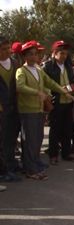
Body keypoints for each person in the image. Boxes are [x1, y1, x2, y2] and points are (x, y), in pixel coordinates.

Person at [16, 41, 74, 180]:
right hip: (27, 110)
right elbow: (20, 86)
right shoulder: (21, 71)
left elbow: (51, 83)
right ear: (24, 56)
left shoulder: (38, 70)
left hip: (39, 110)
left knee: (37, 139)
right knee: (30, 140)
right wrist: (37, 92)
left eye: (35, 54)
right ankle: (30, 169)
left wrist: (63, 92)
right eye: (30, 54)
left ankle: (34, 164)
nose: (34, 56)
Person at [43, 40, 74, 165]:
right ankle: (53, 155)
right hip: (56, 102)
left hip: (68, 101)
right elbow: (46, 85)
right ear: (54, 53)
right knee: (55, 130)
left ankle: (66, 153)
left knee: (68, 128)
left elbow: (72, 81)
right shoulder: (47, 66)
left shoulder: (68, 66)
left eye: (65, 53)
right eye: (61, 53)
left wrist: (73, 87)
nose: (64, 56)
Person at [0, 36, 20, 182]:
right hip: (1, 109)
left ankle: (11, 163)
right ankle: (3, 170)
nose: (8, 52)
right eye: (3, 49)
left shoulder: (15, 63)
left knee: (11, 138)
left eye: (9, 48)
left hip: (14, 107)